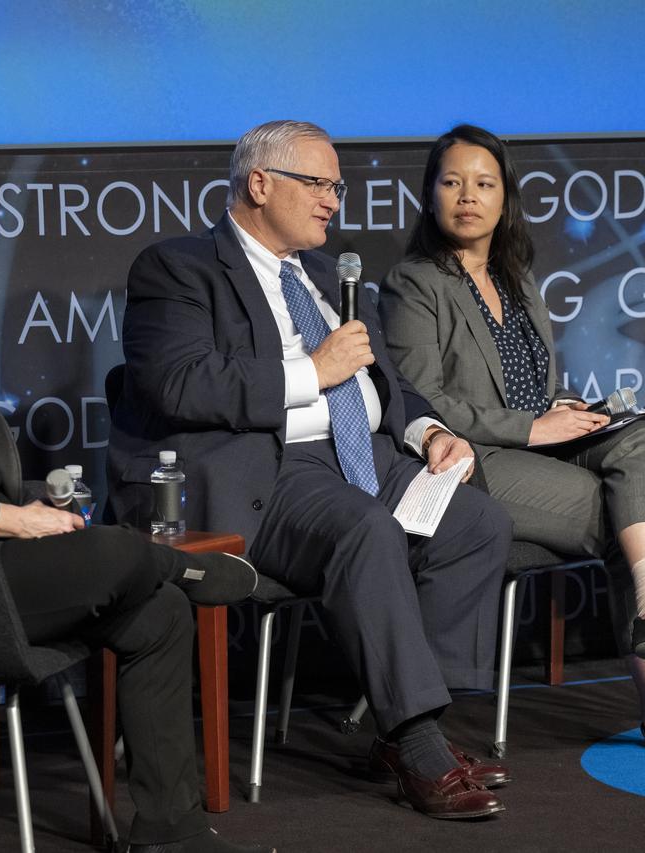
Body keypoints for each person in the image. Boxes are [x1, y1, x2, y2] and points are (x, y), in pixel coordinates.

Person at [107, 121, 513, 819]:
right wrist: (310, 371)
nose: (333, 201)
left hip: (366, 455)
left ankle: (411, 727)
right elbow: (175, 384)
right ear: (260, 184)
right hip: (268, 469)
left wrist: (428, 428)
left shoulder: (330, 274)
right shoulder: (177, 268)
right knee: (363, 528)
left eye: (337, 187)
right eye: (318, 184)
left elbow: (386, 379)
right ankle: (416, 740)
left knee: (476, 520)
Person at [0, 180, 272, 853]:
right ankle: (185, 566)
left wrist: (29, 502)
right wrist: (13, 520)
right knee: (120, 552)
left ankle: (171, 830)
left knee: (160, 614)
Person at [379, 124, 645, 758]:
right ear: (429, 194)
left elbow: (534, 383)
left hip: (538, 438)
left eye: (484, 183)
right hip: (472, 459)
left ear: (506, 198)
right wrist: (534, 425)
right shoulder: (414, 283)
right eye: (452, 182)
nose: (467, 197)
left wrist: (566, 408)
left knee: (643, 441)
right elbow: (422, 402)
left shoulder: (518, 278)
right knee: (626, 523)